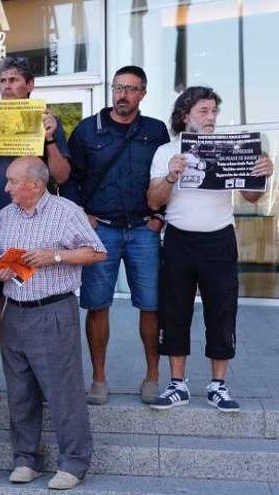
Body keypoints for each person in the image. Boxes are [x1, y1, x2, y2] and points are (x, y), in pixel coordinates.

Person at [146, 86, 274, 413]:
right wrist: (172, 175)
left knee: (222, 311)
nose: (211, 117)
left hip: (219, 238)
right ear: (184, 115)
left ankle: (218, 385)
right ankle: (177, 384)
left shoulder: (231, 148)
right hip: (178, 238)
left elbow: (251, 198)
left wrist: (261, 176)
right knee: (175, 311)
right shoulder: (166, 152)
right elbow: (153, 200)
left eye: (214, 111)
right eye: (203, 111)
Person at [0, 56, 72, 403]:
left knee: (32, 301)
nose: (7, 87)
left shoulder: (47, 122)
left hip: (33, 228)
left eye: (14, 80)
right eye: (3, 81)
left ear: (30, 85)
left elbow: (62, 176)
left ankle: (39, 379)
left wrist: (50, 140)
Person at [0, 156, 106, 490]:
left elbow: (97, 252)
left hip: (54, 311)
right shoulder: (4, 215)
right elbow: (4, 259)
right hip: (14, 310)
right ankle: (25, 458)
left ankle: (74, 462)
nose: (6, 187)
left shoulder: (66, 211)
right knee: (20, 391)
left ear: (36, 184)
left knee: (63, 390)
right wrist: (1, 271)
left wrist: (54, 256)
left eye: (12, 181)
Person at [64, 66, 171, 405]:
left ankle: (153, 377)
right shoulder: (86, 130)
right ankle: (98, 379)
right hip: (102, 232)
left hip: (143, 230)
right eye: (118, 87)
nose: (123, 94)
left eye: (131, 89)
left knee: (151, 305)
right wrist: (83, 215)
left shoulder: (155, 131)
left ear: (143, 93)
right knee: (97, 305)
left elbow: (166, 175)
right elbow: (69, 179)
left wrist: (160, 215)